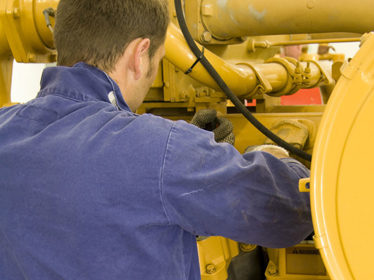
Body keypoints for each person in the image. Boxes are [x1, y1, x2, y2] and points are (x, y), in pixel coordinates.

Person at [0, 0, 313, 279]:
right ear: (140, 55)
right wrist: (274, 152)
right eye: (159, 58)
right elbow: (291, 211)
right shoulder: (164, 151)